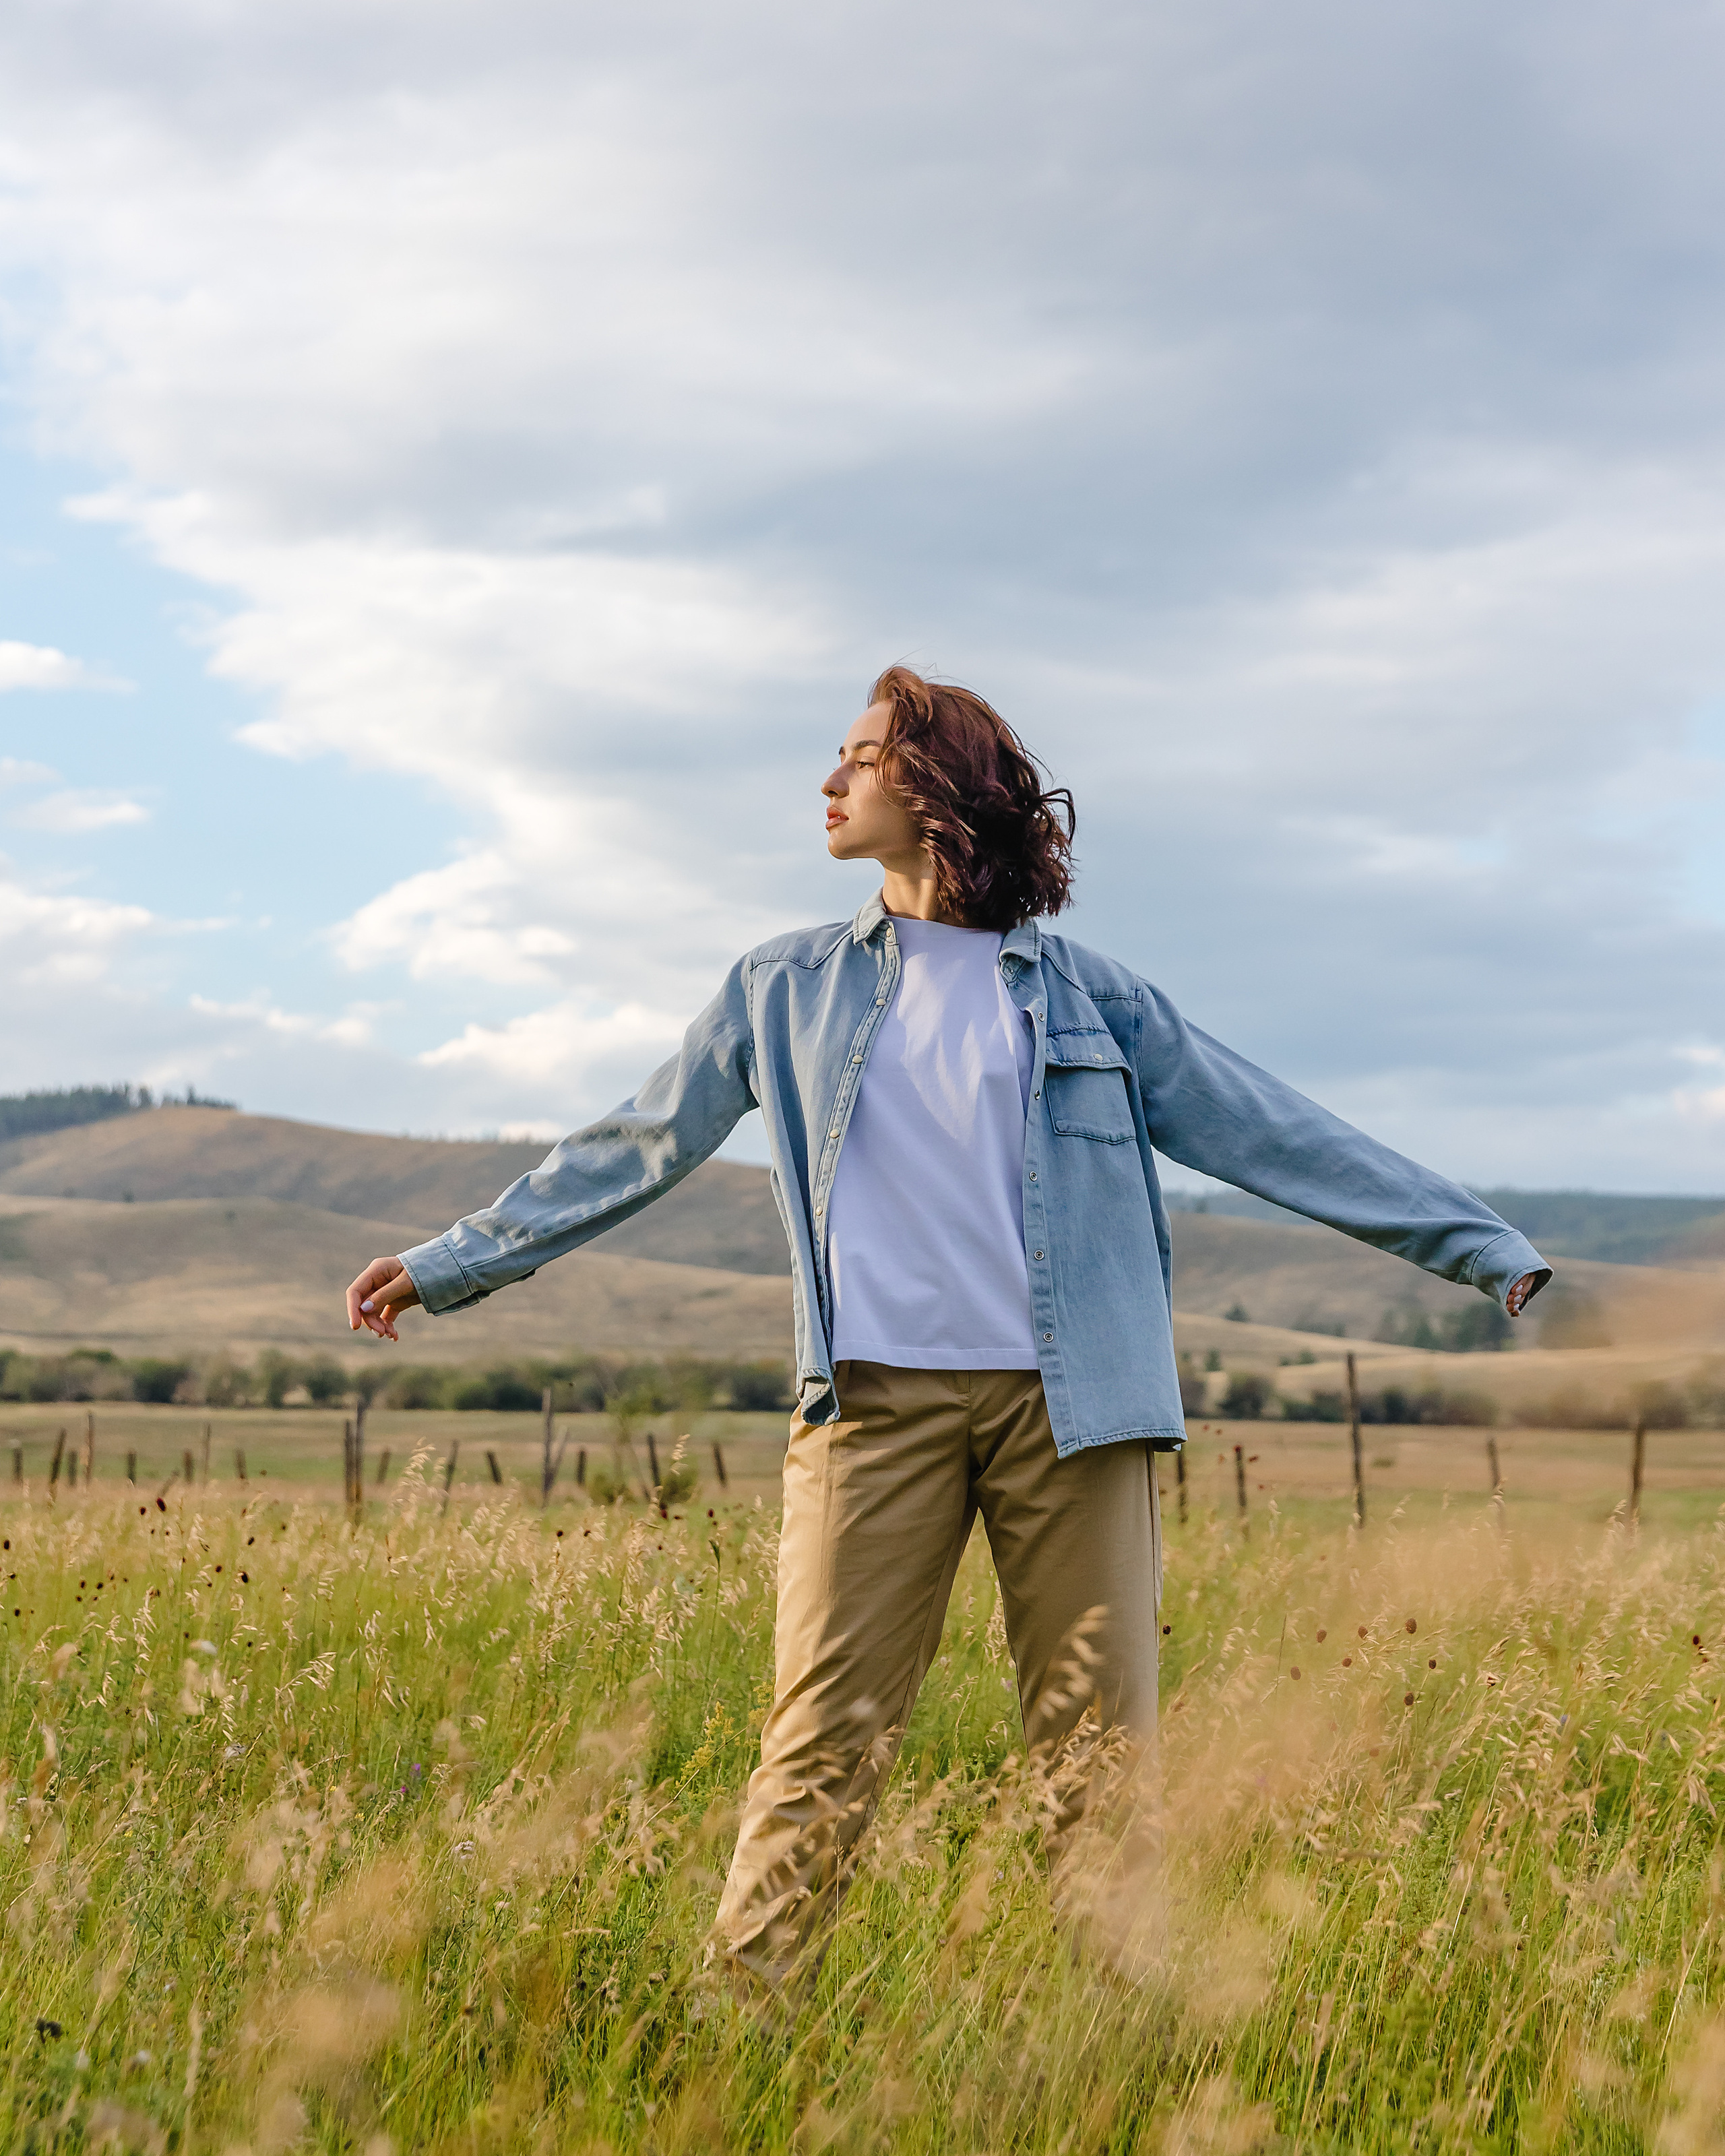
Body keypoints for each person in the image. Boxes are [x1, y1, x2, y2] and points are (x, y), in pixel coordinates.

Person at [345, 664, 1549, 1984]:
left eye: (859, 757)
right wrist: (453, 1260)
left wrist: (1477, 1244)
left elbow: (1271, 1131)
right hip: (870, 1414)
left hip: (1072, 1413)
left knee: (1095, 1755)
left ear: (937, 792)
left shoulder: (1097, 999)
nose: (828, 780)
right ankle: (738, 2019)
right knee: (821, 1744)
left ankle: (1118, 2035)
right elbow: (634, 1145)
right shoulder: (779, 986)